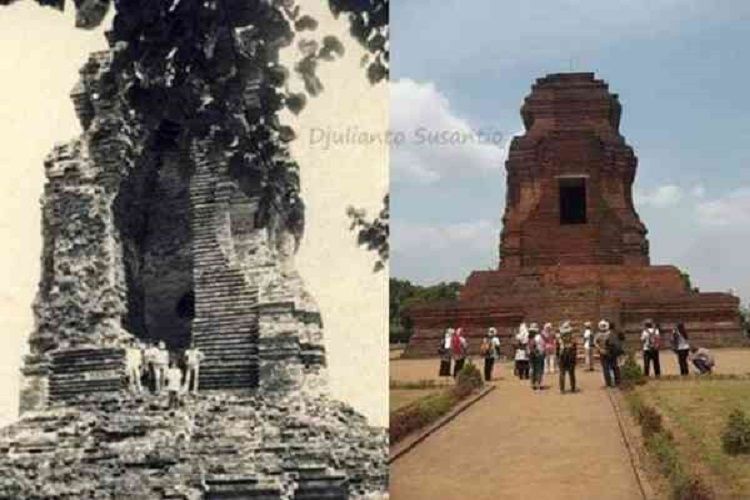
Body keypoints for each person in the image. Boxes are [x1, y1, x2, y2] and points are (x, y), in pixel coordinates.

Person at [594, 319, 621, 387]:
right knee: (614, 366)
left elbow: (595, 343)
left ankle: (608, 383)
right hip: (611, 352)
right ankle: (617, 381)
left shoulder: (598, 335)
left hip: (603, 352)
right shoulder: (611, 334)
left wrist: (600, 349)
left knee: (606, 368)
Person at [557, 320, 577, 394]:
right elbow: (575, 349)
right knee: (571, 373)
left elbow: (557, 350)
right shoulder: (572, 339)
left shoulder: (559, 339)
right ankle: (573, 388)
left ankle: (562, 389)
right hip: (570, 356)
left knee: (562, 373)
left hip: (562, 356)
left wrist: (558, 357)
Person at [529, 323, 545, 390]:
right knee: (539, 369)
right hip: (539, 354)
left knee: (532, 369)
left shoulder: (529, 337)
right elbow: (543, 346)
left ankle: (533, 384)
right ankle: (539, 383)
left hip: (531, 354)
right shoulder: (539, 337)